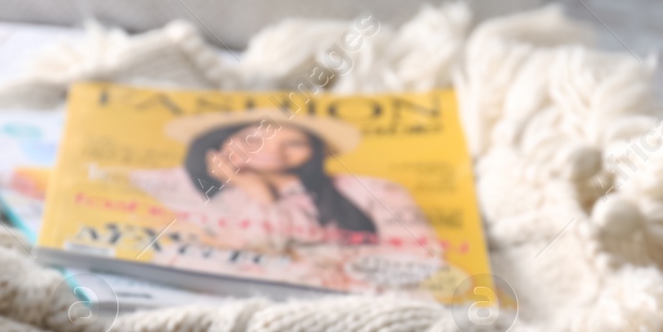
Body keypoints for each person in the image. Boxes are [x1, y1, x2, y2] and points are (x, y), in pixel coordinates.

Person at [130, 110, 446, 294]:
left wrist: (336, 268)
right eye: (253, 139)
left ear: (317, 151)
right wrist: (254, 188)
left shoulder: (372, 190)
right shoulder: (183, 188)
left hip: (344, 303)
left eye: (294, 143)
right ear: (220, 142)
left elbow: (422, 260)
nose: (273, 151)